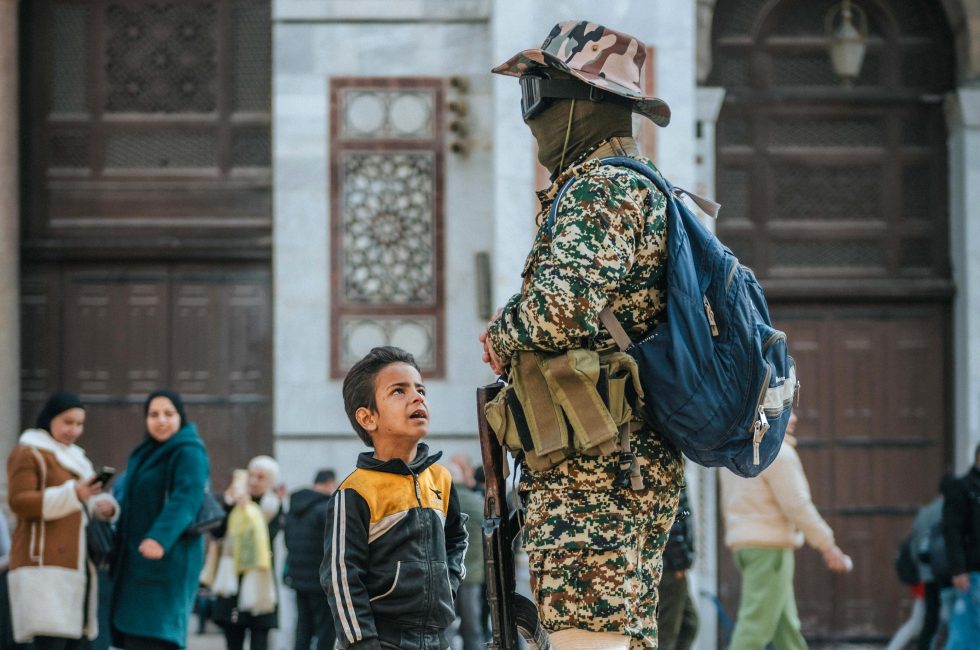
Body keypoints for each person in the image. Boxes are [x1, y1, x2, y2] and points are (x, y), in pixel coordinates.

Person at [480, 19, 683, 649]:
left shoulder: (601, 190)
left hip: (593, 472)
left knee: (583, 638)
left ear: (583, 102)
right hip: (619, 462)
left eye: (537, 95)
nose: (531, 116)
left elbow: (558, 309)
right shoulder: (637, 183)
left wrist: (503, 331)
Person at [321, 346, 468, 649]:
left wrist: (447, 586)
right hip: (381, 639)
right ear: (368, 418)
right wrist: (361, 642)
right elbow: (341, 576)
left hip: (437, 638)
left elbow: (457, 539)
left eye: (420, 389)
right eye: (399, 391)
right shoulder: (356, 490)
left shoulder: (441, 479)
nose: (418, 397)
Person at [719, 411, 851, 650]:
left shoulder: (735, 450)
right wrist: (828, 545)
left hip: (746, 546)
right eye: (786, 410)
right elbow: (797, 506)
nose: (794, 418)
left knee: (785, 628)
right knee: (754, 629)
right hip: (769, 550)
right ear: (765, 415)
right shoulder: (777, 452)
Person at [6, 390, 120, 650]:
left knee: (75, 642)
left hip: (77, 565)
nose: (74, 430)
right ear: (50, 419)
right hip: (45, 566)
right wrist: (72, 493)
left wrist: (105, 507)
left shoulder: (77, 458)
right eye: (68, 422)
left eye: (79, 424)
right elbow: (19, 501)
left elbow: (84, 502)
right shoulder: (30, 452)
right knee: (50, 642)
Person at [111, 389, 211, 650]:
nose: (161, 420)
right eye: (154, 414)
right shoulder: (147, 452)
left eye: (169, 413)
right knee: (137, 637)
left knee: (155, 637)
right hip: (138, 562)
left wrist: (159, 537)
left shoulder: (189, 451)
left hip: (168, 561)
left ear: (181, 417)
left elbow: (185, 498)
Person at [211, 456, 284, 650]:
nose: (253, 481)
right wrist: (227, 504)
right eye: (251, 475)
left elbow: (266, 537)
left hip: (260, 581)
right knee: (232, 639)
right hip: (234, 580)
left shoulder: (274, 506)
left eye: (260, 477)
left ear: (270, 481)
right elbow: (216, 532)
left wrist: (247, 508)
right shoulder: (233, 502)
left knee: (260, 640)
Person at [285, 469, 338, 650]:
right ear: (329, 483)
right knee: (326, 630)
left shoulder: (294, 508)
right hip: (321, 582)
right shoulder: (325, 509)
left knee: (303, 628)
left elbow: (287, 542)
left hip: (298, 580)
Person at [940, 442, 980, 648]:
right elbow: (953, 531)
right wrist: (958, 570)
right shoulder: (963, 488)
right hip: (972, 574)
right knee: (967, 631)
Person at [448, 454, 486, 650]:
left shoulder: (441, 502)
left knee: (446, 629)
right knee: (473, 630)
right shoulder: (477, 502)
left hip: (447, 577)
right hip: (473, 576)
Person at [657, 488, 698, 650]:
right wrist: (679, 561)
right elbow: (672, 522)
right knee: (666, 635)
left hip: (673, 566)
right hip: (670, 567)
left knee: (688, 625)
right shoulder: (669, 466)